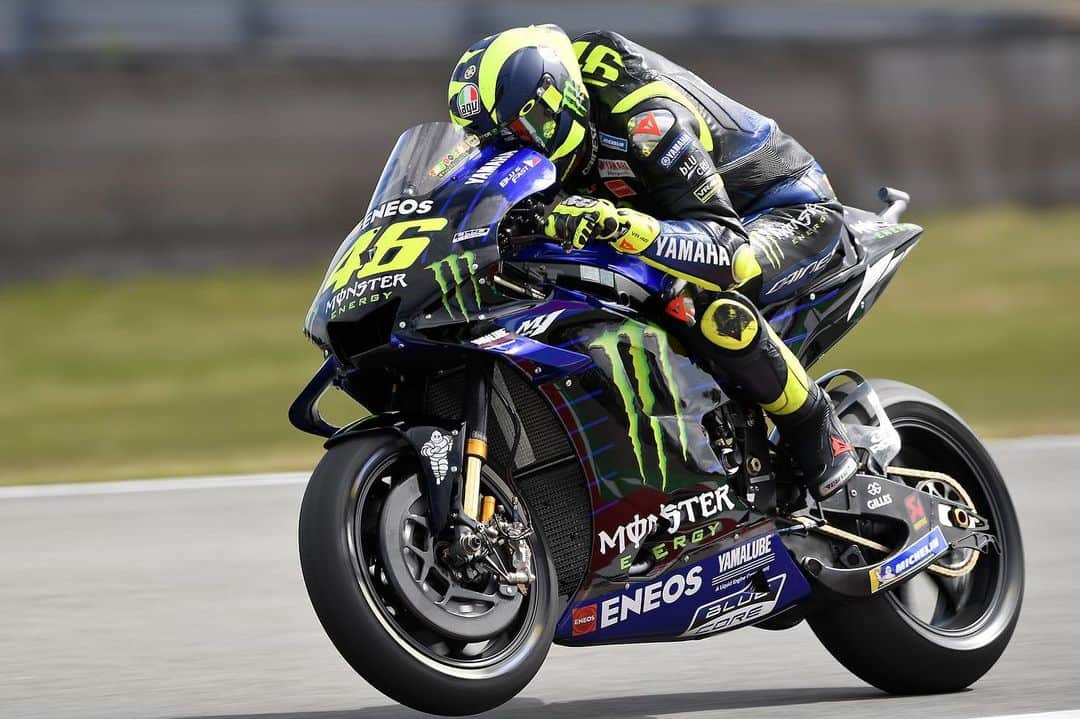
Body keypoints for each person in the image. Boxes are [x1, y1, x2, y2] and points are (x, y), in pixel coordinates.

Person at [447, 25, 857, 501]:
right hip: (669, 222)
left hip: (778, 210)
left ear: (559, 96)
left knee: (701, 296)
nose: (520, 149)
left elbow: (727, 249)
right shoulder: (540, 146)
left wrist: (618, 225)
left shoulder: (643, 118)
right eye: (496, 141)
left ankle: (814, 424)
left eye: (524, 129)